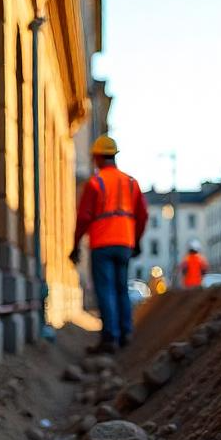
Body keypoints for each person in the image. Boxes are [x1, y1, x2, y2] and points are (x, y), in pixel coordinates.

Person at [70, 134, 149, 353]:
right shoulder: (131, 182)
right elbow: (142, 215)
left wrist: (75, 244)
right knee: (121, 288)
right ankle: (125, 334)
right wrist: (137, 240)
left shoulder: (95, 182)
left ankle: (110, 339)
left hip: (103, 243)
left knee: (106, 290)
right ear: (114, 156)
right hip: (124, 242)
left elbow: (84, 217)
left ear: (96, 157)